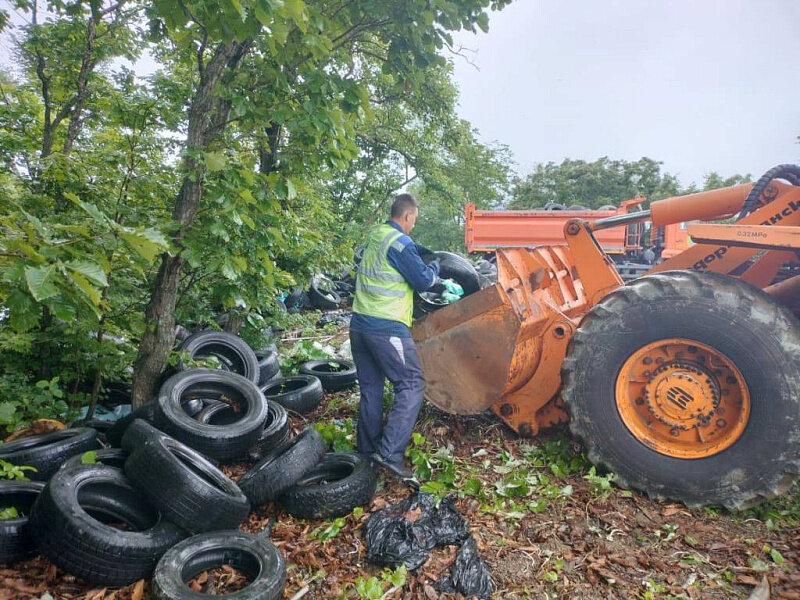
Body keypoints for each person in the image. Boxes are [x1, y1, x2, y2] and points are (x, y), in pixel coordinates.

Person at [350, 193, 442, 481]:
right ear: (407, 216)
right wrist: (436, 265)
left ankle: (366, 451)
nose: (413, 225)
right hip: (386, 328)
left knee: (372, 388)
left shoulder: (376, 235)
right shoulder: (400, 243)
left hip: (359, 326)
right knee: (411, 384)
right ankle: (389, 455)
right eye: (414, 220)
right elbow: (424, 280)